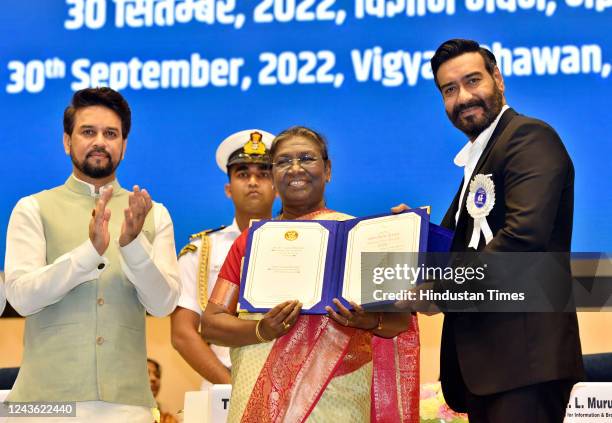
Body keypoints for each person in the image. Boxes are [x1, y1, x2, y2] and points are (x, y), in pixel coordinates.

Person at [202, 126, 420, 422]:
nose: (295, 168)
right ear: (273, 177)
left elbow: (399, 322)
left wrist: (367, 320)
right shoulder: (250, 241)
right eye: (282, 162)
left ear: (327, 170)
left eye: (307, 158)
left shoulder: (360, 237)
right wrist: (261, 331)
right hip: (262, 400)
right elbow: (211, 323)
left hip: (340, 400)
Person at [419, 38, 583, 422]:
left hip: (524, 363)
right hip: (488, 369)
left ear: (498, 79)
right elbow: (456, 247)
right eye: (449, 89)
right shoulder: (480, 157)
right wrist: (412, 233)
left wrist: (439, 291)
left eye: (473, 81)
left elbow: (523, 241)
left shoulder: (529, 138)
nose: (463, 97)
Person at [4, 87, 180, 422]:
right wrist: (88, 253)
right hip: (42, 405)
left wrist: (132, 247)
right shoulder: (32, 208)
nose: (100, 141)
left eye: (110, 133)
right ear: (67, 141)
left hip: (126, 405)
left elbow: (163, 305)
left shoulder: (152, 213)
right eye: (88, 131)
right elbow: (22, 298)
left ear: (124, 147)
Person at [170, 129, 276, 386]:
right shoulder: (202, 249)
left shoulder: (304, 241)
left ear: (277, 186)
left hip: (286, 385)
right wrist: (230, 386)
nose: (252, 181)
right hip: (223, 385)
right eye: (243, 174)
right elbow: (183, 332)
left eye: (263, 174)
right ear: (229, 189)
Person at [147, 358, 179, 423]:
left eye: (157, 375)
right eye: (146, 373)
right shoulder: (124, 415)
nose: (154, 378)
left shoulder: (167, 420)